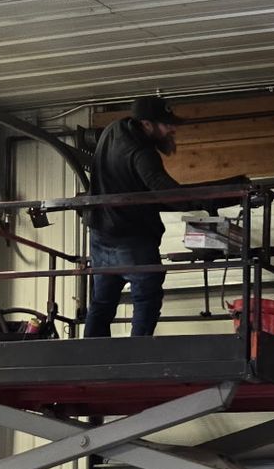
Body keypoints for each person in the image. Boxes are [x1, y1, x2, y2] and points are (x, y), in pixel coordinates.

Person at [82, 94, 215, 337]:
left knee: (102, 303)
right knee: (147, 297)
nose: (171, 129)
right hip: (131, 236)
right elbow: (161, 187)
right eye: (165, 124)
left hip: (101, 232)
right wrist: (203, 201)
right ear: (146, 124)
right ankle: (137, 355)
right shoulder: (141, 152)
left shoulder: (114, 130)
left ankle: (89, 358)